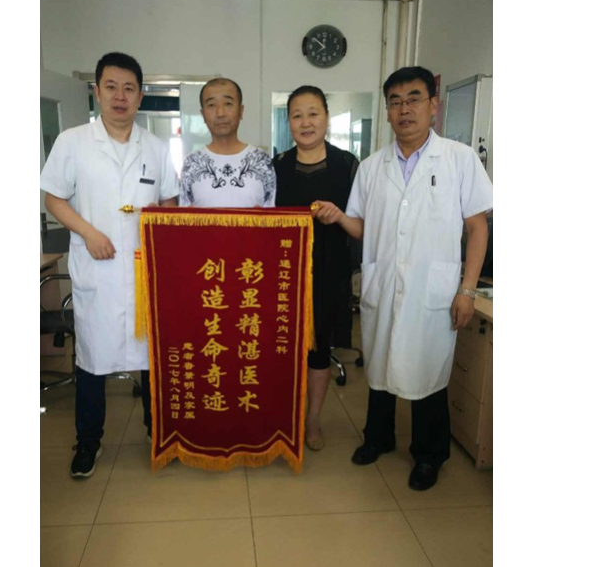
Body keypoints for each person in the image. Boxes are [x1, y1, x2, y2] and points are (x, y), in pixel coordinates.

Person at [313, 66, 492, 490]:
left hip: (434, 290)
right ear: (388, 111)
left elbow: (477, 227)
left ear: (434, 106)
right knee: (380, 366)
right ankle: (379, 438)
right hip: (384, 284)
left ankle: (429, 455)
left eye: (414, 99)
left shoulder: (459, 159)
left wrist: (468, 289)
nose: (404, 109)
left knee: (428, 373)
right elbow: (362, 226)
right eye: (395, 101)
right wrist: (339, 217)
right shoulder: (372, 167)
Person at [40, 52, 179, 478]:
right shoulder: (73, 142)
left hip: (144, 271)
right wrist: (88, 232)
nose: (120, 96)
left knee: (151, 357)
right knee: (92, 359)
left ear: (140, 96)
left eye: (129, 88)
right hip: (97, 271)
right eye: (112, 87)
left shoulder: (155, 148)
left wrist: (161, 222)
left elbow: (170, 203)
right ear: (97, 91)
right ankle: (88, 441)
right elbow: (53, 199)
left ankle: (158, 433)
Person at [273, 85, 359, 451]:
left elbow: (363, 227)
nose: (305, 122)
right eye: (297, 115)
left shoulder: (347, 165)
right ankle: (283, 416)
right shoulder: (276, 166)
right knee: (280, 348)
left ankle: (312, 419)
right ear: (289, 122)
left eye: (313, 114)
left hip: (328, 272)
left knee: (319, 349)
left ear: (326, 118)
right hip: (281, 274)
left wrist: (338, 216)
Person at [180, 78, 275, 208]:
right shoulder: (192, 163)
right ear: (203, 114)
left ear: (241, 111)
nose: (220, 113)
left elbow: (272, 214)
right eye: (211, 105)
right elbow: (184, 216)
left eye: (228, 104)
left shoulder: (261, 160)